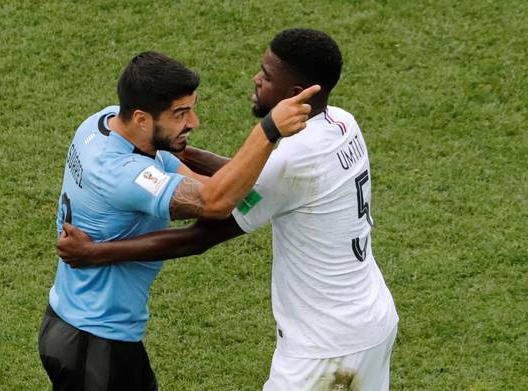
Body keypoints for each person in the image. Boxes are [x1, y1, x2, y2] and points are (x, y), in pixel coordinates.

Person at [57, 29, 399, 391]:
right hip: (372, 319)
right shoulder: (343, 124)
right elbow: (262, 177)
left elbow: (203, 227)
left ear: (293, 96)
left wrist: (95, 253)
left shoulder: (290, 165)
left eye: (266, 76)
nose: (256, 78)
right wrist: (178, 149)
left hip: (324, 348)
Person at [38, 50, 319, 390]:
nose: (194, 122)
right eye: (181, 113)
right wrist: (267, 131)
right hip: (95, 346)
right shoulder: (124, 175)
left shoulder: (107, 123)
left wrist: (272, 184)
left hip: (81, 329)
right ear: (142, 118)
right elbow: (214, 202)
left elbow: (215, 188)